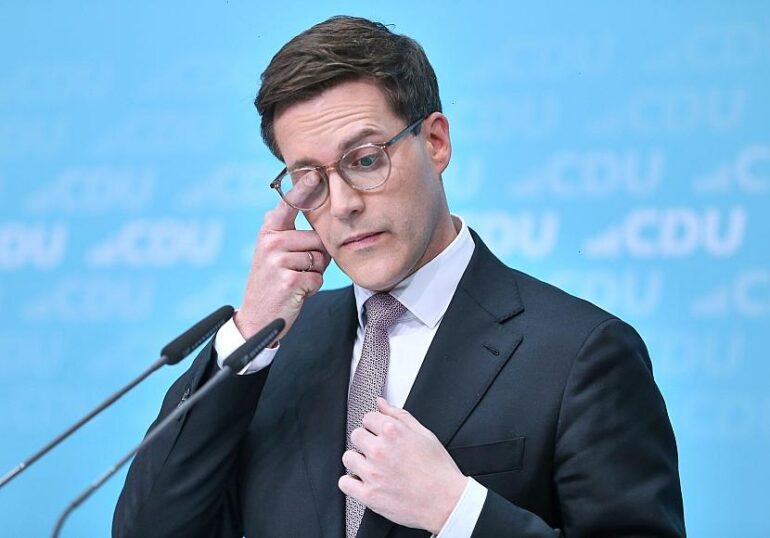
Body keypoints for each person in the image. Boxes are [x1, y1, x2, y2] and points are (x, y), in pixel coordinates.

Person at [113, 15, 686, 538]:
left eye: (365, 160)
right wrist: (249, 336)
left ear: (435, 142)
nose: (343, 204)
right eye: (310, 179)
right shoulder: (276, 354)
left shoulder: (580, 353)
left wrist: (458, 512)